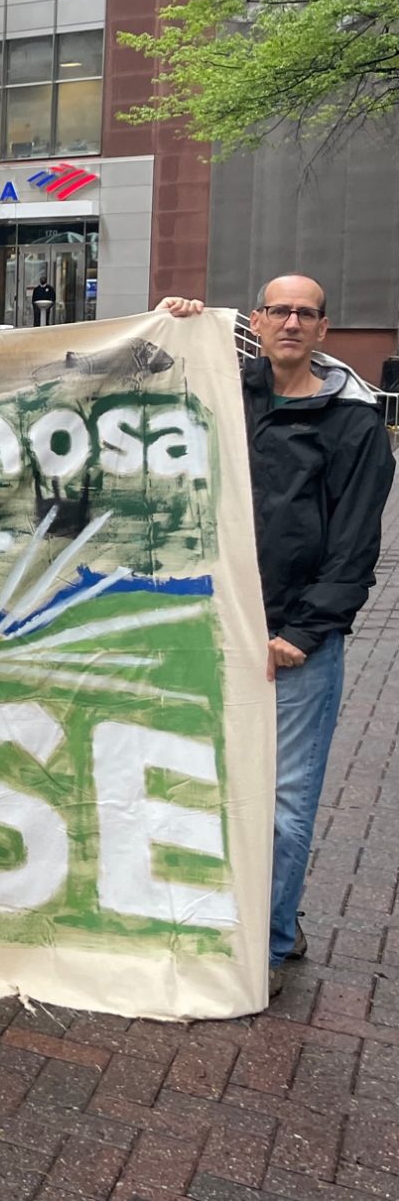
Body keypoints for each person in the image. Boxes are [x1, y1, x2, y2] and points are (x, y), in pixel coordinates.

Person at [160, 278, 393, 995]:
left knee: (284, 799)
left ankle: (266, 942)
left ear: (323, 328)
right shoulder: (231, 391)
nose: (291, 322)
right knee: (204, 780)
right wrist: (176, 328)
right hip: (214, 630)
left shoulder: (352, 423)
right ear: (255, 320)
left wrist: (303, 632)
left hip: (293, 642)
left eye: (306, 313)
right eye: (278, 310)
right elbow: (146, 400)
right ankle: (220, 920)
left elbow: (354, 547)